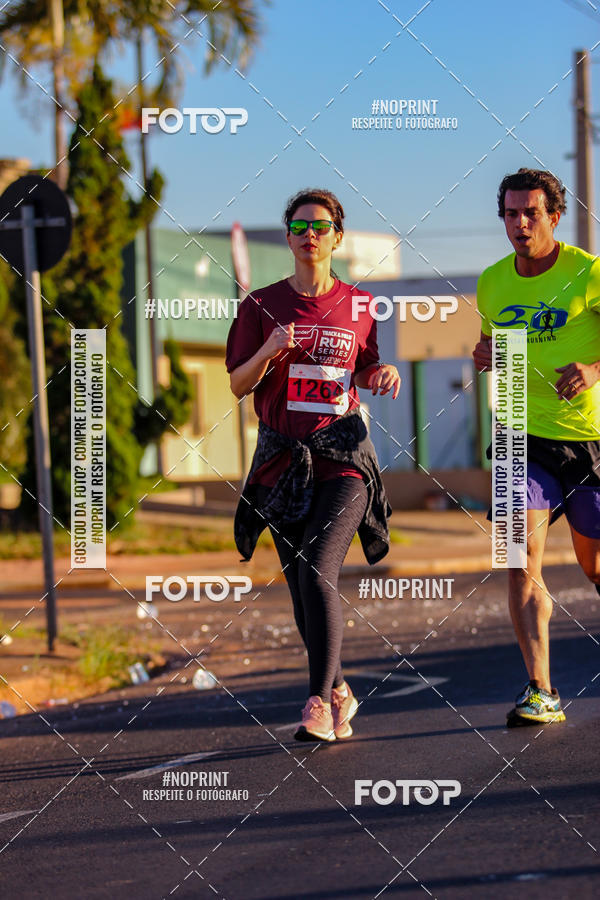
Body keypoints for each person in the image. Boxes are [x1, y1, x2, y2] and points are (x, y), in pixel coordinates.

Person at [226, 188, 400, 741]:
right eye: (299, 227)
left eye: (320, 227)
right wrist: (267, 351)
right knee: (301, 587)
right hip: (283, 459)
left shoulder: (360, 305)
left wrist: (381, 374)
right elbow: (238, 384)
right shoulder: (260, 305)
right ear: (288, 237)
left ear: (337, 237)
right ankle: (341, 687)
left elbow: (364, 367)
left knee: (318, 569)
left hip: (344, 454)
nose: (310, 236)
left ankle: (320, 703)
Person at [473, 168, 600, 725]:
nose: (520, 224)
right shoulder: (492, 282)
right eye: (510, 213)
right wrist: (484, 354)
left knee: (595, 566)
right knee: (518, 561)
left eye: (531, 213)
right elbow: (492, 344)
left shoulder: (589, 272)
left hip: (588, 438)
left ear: (555, 215)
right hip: (517, 433)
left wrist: (594, 369)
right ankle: (541, 690)